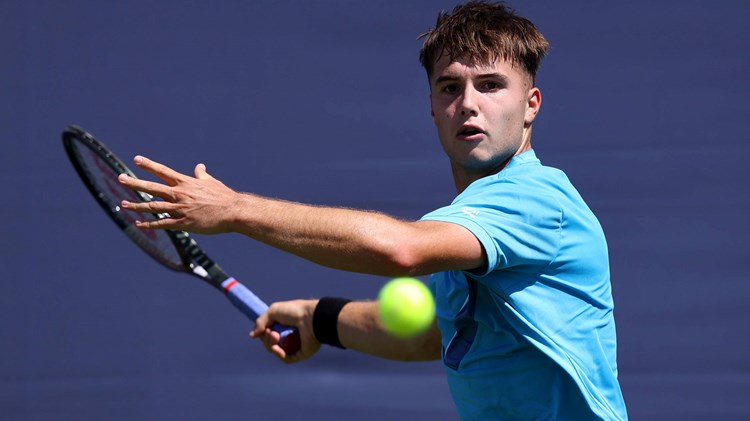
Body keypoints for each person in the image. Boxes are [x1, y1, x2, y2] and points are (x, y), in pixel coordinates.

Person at [118, 1, 628, 419]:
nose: (469, 104)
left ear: (531, 104)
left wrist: (235, 210)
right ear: (432, 105)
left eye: (491, 85)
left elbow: (400, 250)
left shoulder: (533, 198)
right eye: (451, 88)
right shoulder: (469, 222)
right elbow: (430, 336)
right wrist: (322, 319)